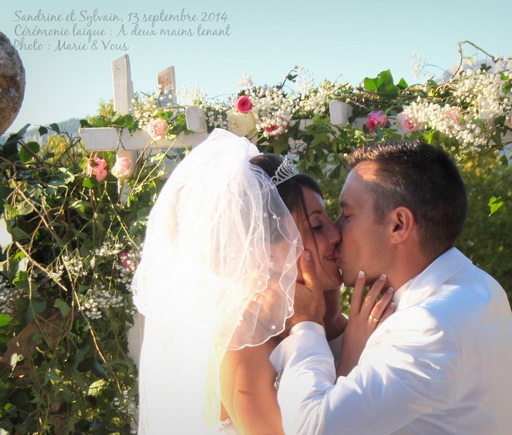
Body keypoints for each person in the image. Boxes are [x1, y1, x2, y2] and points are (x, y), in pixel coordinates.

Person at [130, 128, 385, 434]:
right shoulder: (241, 341)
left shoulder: (337, 319)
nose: (335, 235)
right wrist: (353, 355)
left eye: (329, 220)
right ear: (263, 248)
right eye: (316, 226)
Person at [270, 141, 512, 434]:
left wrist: (306, 326)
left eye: (347, 216)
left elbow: (312, 427)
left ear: (399, 225)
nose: (336, 231)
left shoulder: (428, 325)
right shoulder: (482, 288)